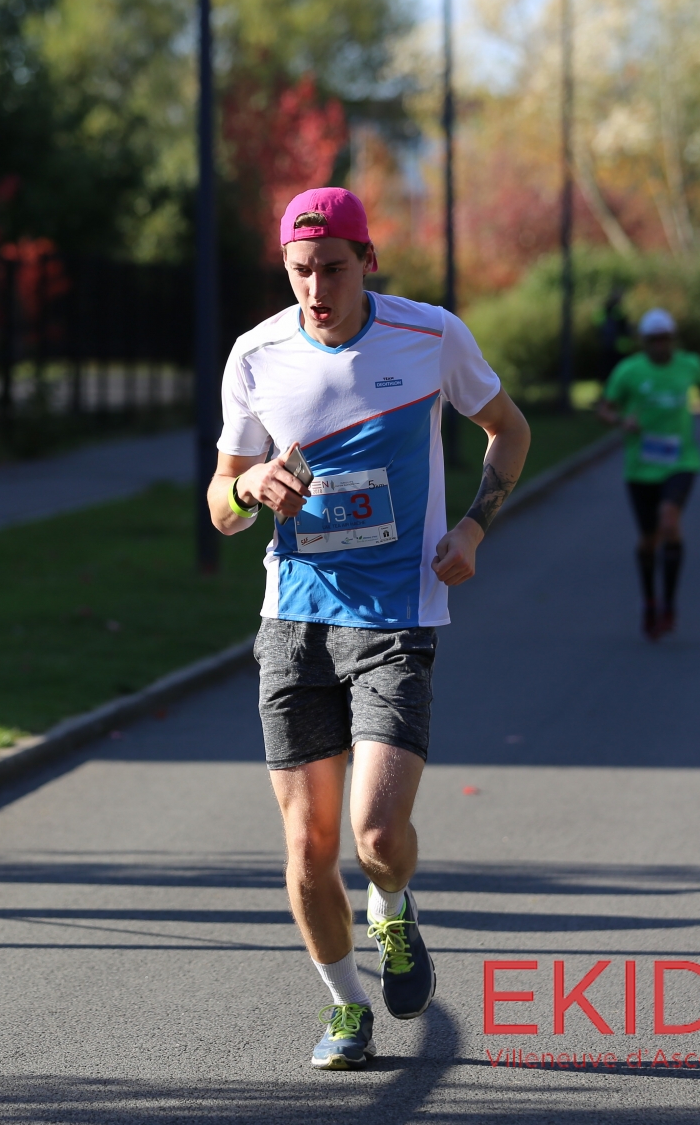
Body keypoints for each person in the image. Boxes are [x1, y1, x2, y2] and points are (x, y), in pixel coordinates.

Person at [207, 188, 530, 1070]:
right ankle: (346, 1007)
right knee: (307, 848)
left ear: (368, 261)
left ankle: (393, 906)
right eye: (301, 272)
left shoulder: (430, 336)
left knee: (378, 836)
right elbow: (221, 507)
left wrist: (472, 529)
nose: (318, 290)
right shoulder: (256, 355)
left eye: (334, 270)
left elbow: (509, 431)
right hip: (294, 621)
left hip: (395, 618)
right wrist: (248, 488)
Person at [597, 309, 700, 640]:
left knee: (669, 523)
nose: (660, 346)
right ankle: (650, 600)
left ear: (673, 339)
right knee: (648, 540)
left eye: (665, 339)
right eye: (653, 340)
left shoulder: (690, 364)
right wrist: (621, 421)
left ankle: (669, 604)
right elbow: (605, 408)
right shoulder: (629, 371)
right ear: (644, 342)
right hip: (640, 467)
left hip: (681, 461)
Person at [596, 286, 632, 383]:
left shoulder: (604, 309)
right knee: (617, 369)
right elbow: (624, 326)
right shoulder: (617, 310)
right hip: (618, 346)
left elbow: (598, 324)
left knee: (608, 369)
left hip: (607, 345)